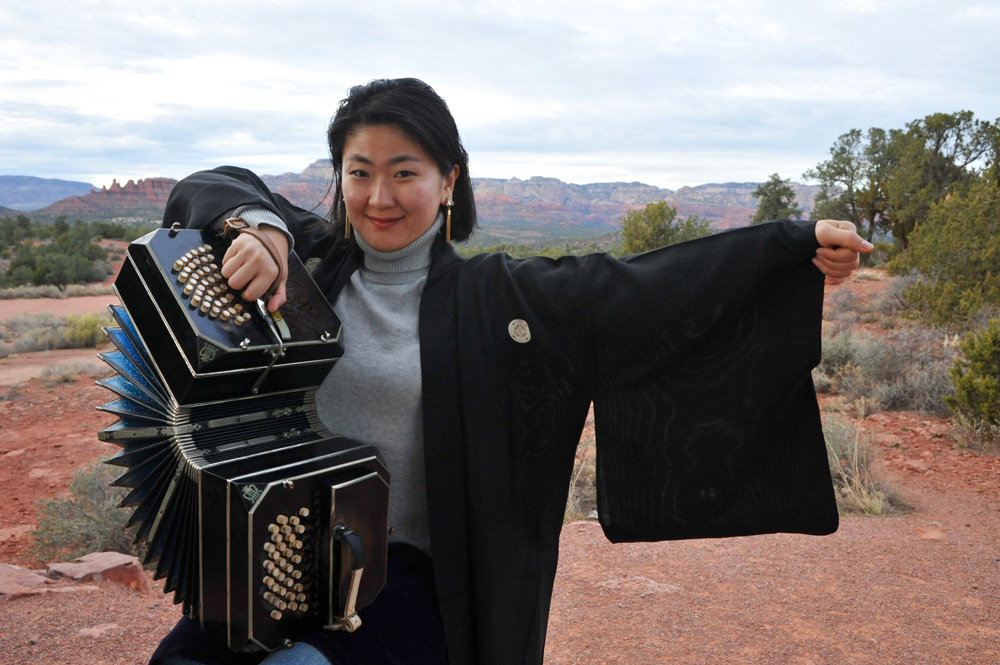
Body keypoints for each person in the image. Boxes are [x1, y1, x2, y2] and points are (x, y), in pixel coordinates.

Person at [150, 78, 871, 665]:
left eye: (406, 173)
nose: (380, 197)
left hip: (412, 584)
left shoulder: (498, 300)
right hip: (276, 561)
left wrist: (791, 246)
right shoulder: (308, 268)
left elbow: (645, 288)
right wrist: (263, 226)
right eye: (360, 173)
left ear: (448, 180)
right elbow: (208, 186)